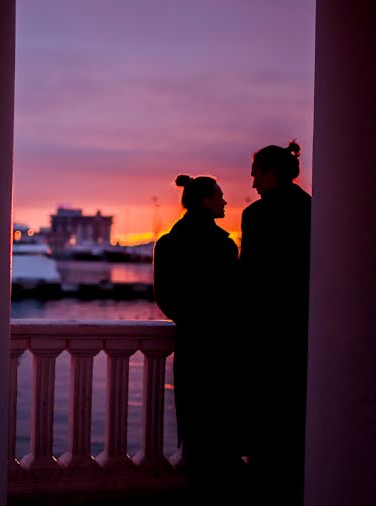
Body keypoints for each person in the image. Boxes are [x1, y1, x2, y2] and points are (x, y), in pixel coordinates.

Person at [153, 174, 245, 500]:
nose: (225, 201)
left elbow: (164, 296)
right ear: (205, 201)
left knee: (194, 415)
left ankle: (198, 482)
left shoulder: (167, 244)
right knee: (222, 415)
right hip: (223, 341)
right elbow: (236, 295)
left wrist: (192, 318)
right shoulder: (224, 244)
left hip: (192, 340)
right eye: (220, 196)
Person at [240, 141, 311, 505]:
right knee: (297, 417)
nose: (252, 184)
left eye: (255, 175)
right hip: (305, 329)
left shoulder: (256, 216)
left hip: (266, 331)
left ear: (271, 172)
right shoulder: (313, 209)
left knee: (266, 421)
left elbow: (249, 276)